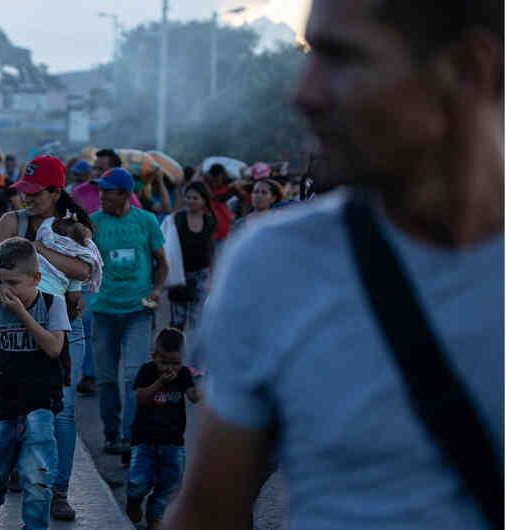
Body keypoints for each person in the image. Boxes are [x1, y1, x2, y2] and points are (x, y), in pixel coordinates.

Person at [164, 0, 504, 529]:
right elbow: (209, 511)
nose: (302, 93)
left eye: (343, 57)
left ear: (468, 69)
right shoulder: (272, 265)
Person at [0, 155, 94, 520]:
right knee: (15, 402)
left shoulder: (69, 228)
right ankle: (21, 468)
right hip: (12, 326)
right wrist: (9, 305)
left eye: (35, 193)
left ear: (56, 192)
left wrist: (38, 249)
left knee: (60, 411)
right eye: (24, 191)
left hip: (62, 324)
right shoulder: (10, 221)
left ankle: (57, 490)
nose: (27, 199)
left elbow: (84, 269)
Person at [0, 238, 71, 530]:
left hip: (41, 402)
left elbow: (54, 348)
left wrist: (22, 315)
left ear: (36, 279)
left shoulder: (54, 304)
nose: (5, 290)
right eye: (1, 281)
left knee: (38, 476)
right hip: (3, 404)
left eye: (13, 282)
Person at [90, 167, 168, 456]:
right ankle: (112, 435)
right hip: (104, 311)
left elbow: (162, 262)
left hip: (138, 310)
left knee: (134, 376)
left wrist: (156, 290)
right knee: (107, 378)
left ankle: (131, 437)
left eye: (107, 191)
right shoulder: (94, 223)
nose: (101, 196)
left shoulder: (146, 221)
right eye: (101, 190)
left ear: (125, 194)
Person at [127, 328, 200, 530]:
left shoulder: (183, 373)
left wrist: (203, 382)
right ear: (154, 356)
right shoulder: (147, 371)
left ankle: (155, 514)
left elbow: (193, 397)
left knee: (170, 482)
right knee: (138, 480)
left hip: (173, 441)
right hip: (144, 439)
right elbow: (140, 397)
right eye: (164, 362)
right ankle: (134, 499)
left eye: (176, 363)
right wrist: (160, 382)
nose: (170, 368)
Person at [168, 182, 216, 333]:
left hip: (201, 273)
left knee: (198, 320)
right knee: (177, 321)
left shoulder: (210, 220)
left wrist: (213, 276)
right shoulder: (178, 219)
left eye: (195, 198)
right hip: (180, 276)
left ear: (204, 201)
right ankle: (175, 354)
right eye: (187, 197)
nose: (190, 201)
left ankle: (195, 354)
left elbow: (211, 249)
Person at [72, 150, 143, 215]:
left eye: (100, 169)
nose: (95, 173)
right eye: (94, 168)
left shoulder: (126, 196)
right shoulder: (80, 191)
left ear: (115, 171)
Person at [202, 163, 235, 243]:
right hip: (210, 234)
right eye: (213, 180)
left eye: (217, 180)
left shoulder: (230, 189)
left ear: (223, 176)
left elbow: (215, 198)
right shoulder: (207, 187)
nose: (215, 183)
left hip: (226, 232)